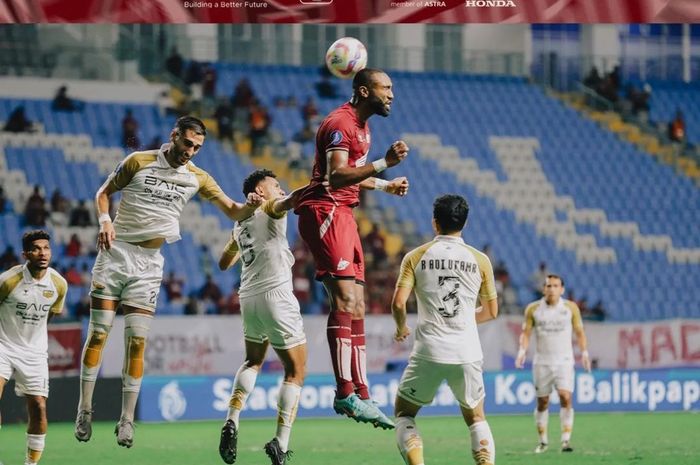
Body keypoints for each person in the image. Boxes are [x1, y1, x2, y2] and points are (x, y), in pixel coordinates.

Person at [73, 116, 263, 448]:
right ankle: (84, 408)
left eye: (198, 147)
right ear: (174, 136)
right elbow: (104, 193)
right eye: (188, 143)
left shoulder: (197, 178)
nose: (191, 151)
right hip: (115, 255)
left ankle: (126, 420)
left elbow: (232, 210)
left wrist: (249, 207)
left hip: (148, 265)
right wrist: (105, 220)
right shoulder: (138, 161)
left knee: (137, 343)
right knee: (99, 334)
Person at [295, 67, 410, 429]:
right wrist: (385, 165)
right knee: (344, 301)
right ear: (363, 91)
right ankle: (344, 391)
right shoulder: (340, 124)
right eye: (384, 87)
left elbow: (354, 173)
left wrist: (383, 185)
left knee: (358, 304)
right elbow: (336, 176)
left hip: (344, 211)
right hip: (325, 209)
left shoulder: (363, 125)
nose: (391, 94)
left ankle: (361, 391)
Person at [391, 194, 499, 465]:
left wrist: (402, 326)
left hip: (428, 351)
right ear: (464, 222)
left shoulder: (415, 256)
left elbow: (398, 302)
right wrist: (461, 319)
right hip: (467, 351)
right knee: (476, 418)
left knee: (404, 413)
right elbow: (491, 312)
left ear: (434, 222)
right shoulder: (481, 260)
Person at [217, 169, 307, 465]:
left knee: (253, 361)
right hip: (277, 295)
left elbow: (223, 262)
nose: (280, 190)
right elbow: (292, 200)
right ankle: (280, 442)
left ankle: (232, 419)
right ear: (260, 189)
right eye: (275, 185)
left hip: (249, 297)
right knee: (295, 370)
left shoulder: (240, 222)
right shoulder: (270, 207)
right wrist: (320, 183)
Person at [0, 230, 67, 465]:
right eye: (37, 248)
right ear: (25, 253)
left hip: (34, 352)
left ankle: (31, 463)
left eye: (46, 248)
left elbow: (49, 317)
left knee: (38, 406)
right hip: (3, 346)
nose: (43, 253)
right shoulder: (8, 280)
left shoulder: (59, 284)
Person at [515, 274, 591, 454]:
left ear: (562, 289)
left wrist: (585, 352)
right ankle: (543, 441)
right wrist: (522, 350)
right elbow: (526, 333)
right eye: (548, 286)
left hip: (564, 361)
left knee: (566, 397)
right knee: (543, 402)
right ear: (543, 289)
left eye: (555, 286)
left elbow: (580, 332)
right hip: (542, 362)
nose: (552, 289)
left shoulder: (570, 308)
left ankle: (566, 440)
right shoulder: (533, 309)